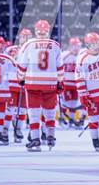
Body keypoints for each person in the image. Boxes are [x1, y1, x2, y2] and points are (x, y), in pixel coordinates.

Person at [17, 20, 64, 152]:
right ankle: (50, 137)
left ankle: (36, 139)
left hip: (33, 83)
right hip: (50, 83)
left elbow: (22, 65)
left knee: (34, 114)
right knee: (50, 113)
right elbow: (60, 67)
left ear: (36, 30)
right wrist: (60, 82)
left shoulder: (28, 44)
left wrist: (20, 78)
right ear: (48, 31)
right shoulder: (55, 45)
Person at [75, 32, 99, 152]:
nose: (96, 46)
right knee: (93, 119)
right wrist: (83, 94)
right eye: (93, 44)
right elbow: (79, 77)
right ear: (87, 45)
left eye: (97, 43)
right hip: (92, 95)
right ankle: (95, 140)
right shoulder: (82, 58)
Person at [3, 28, 32, 143]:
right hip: (11, 84)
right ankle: (5, 130)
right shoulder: (11, 50)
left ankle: (18, 129)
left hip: (26, 85)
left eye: (28, 37)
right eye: (24, 36)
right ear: (20, 37)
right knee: (9, 109)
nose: (26, 39)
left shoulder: (32, 51)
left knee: (22, 110)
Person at [61, 37, 86, 128]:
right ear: (69, 46)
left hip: (77, 83)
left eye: (77, 46)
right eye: (73, 46)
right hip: (67, 83)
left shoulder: (82, 55)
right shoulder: (65, 55)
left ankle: (71, 119)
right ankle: (63, 117)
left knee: (74, 102)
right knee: (67, 102)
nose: (75, 48)